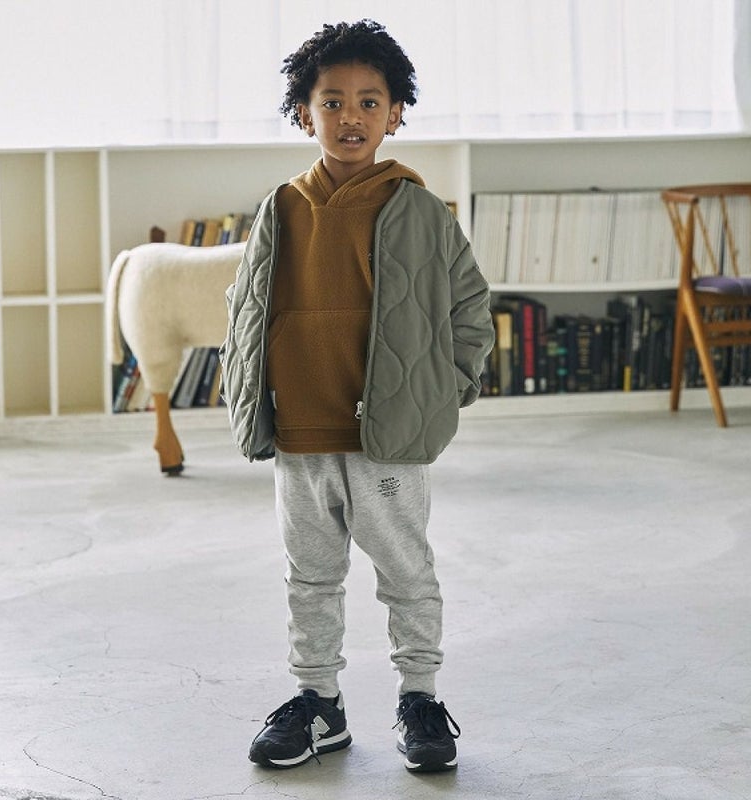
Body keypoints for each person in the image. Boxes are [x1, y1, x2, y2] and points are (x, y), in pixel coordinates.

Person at [220, 19, 495, 773]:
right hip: (301, 433)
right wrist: (252, 397)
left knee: (406, 571)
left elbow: (471, 309)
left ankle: (420, 698)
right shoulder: (280, 207)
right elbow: (246, 307)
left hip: (389, 438)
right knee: (310, 576)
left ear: (395, 114)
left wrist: (444, 391)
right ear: (303, 113)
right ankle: (318, 703)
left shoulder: (419, 211)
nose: (351, 117)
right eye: (332, 102)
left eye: (370, 102)